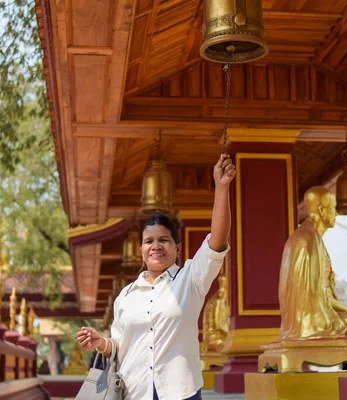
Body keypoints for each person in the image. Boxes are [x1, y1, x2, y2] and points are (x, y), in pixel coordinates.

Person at [76, 153, 235, 400]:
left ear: (177, 248)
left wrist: (222, 187)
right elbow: (119, 346)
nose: (156, 246)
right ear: (141, 250)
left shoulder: (191, 279)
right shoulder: (126, 296)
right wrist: (101, 343)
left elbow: (217, 240)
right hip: (134, 392)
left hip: (181, 392)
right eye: (149, 241)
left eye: (164, 240)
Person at [278, 186, 347, 341]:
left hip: (300, 322)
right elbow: (317, 295)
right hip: (314, 324)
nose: (336, 214)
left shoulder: (304, 236)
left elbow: (320, 291)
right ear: (322, 210)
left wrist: (344, 308)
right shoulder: (309, 239)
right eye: (333, 208)